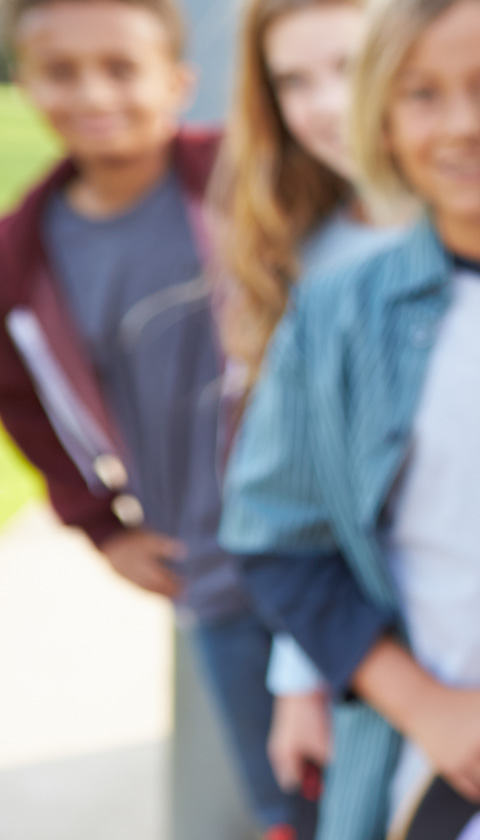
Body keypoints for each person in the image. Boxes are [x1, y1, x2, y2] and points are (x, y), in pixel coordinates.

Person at [216, 0, 480, 834]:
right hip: (427, 768)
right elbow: (278, 540)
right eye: (422, 95)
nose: (464, 125)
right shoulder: (338, 316)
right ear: (380, 120)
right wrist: (425, 707)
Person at [0, 0, 299, 836]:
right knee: (279, 798)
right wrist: (102, 526)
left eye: (121, 68)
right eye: (61, 71)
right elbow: (21, 403)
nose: (93, 91)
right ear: (24, 84)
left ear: (178, 81)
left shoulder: (252, 179)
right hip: (210, 569)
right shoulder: (21, 259)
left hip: (329, 549)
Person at [210, 0, 409, 802]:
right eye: (294, 82)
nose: (327, 105)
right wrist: (303, 674)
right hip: (374, 653)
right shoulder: (312, 257)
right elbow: (302, 503)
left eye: (350, 67)